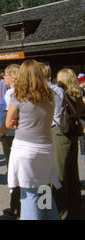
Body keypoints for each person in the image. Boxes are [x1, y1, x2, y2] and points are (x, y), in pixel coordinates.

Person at [5, 60, 60, 220]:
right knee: (45, 191)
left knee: (29, 196)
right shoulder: (50, 96)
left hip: (25, 149)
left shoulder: (19, 96)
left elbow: (8, 122)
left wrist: (19, 122)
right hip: (46, 149)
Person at [53, 68, 85, 219]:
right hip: (74, 134)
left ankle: (62, 211)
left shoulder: (61, 94)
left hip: (62, 134)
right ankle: (76, 207)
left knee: (61, 174)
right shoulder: (78, 94)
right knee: (73, 172)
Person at [0, 64, 21, 219]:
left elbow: (8, 119)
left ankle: (15, 206)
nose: (3, 77)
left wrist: (0, 132)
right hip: (16, 134)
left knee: (12, 171)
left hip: (9, 135)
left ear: (13, 76)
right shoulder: (18, 91)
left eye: (5, 74)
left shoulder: (11, 93)